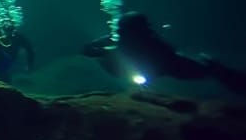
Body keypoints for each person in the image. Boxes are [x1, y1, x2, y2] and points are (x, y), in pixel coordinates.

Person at [82, 11, 246, 95]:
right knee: (207, 71)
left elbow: (169, 57)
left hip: (170, 66)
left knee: (210, 70)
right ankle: (217, 69)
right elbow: (87, 49)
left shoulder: (152, 42)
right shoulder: (117, 38)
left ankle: (219, 69)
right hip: (154, 68)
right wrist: (103, 51)